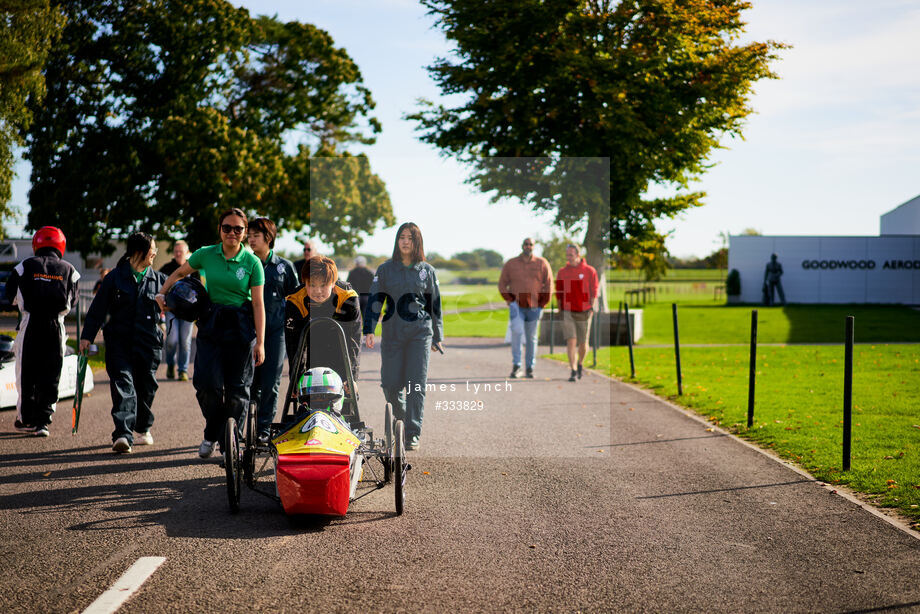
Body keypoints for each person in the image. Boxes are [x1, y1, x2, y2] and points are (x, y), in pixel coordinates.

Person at [156, 208, 265, 458]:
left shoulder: (252, 262)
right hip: (211, 323)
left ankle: (230, 444)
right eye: (227, 227)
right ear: (220, 229)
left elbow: (258, 304)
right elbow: (179, 273)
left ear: (245, 232)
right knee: (206, 385)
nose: (232, 233)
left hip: (240, 326)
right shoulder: (206, 254)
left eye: (238, 229)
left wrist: (260, 342)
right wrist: (163, 293)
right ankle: (212, 431)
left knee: (238, 391)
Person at [80, 233, 166, 453]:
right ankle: (123, 435)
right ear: (138, 252)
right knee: (123, 386)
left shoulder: (159, 280)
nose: (154, 253)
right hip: (119, 343)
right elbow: (97, 310)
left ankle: (143, 427)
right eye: (152, 249)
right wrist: (86, 336)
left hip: (148, 345)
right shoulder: (114, 278)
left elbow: (178, 303)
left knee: (146, 388)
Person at [364, 223, 443, 451]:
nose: (405, 241)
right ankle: (401, 419)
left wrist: (437, 336)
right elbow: (376, 299)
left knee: (415, 384)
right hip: (393, 330)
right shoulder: (385, 269)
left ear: (417, 242)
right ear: (397, 241)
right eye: (401, 237)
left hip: (420, 332)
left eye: (410, 238)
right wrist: (370, 329)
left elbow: (434, 303)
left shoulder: (427, 270)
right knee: (390, 384)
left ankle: (411, 433)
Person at [3, 226, 80, 437]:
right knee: (52, 372)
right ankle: (43, 421)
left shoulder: (23, 267)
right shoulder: (70, 270)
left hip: (30, 324)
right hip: (56, 326)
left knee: (26, 372)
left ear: (37, 243)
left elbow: (10, 297)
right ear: (61, 245)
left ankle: (26, 418)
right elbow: (73, 301)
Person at [285, 256, 361, 407]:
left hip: (341, 350)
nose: (317, 291)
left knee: (345, 397)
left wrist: (350, 378)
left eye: (323, 285)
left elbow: (353, 342)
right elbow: (294, 344)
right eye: (312, 285)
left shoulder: (347, 298)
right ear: (304, 283)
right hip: (313, 349)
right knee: (308, 398)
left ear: (333, 283)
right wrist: (296, 379)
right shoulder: (295, 300)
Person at [248, 217, 298, 440]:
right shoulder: (245, 263)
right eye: (249, 235)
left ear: (268, 238)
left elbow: (296, 300)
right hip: (248, 331)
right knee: (248, 382)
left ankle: (264, 430)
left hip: (276, 333)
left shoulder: (284, 267)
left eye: (255, 236)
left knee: (270, 382)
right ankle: (245, 428)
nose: (250, 239)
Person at [498, 237, 553, 378]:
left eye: (531, 244)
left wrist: (542, 303)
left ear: (534, 247)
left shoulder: (542, 263)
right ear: (522, 246)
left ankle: (530, 367)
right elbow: (502, 284)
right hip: (517, 305)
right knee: (516, 333)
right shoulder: (511, 263)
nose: (528, 246)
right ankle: (517, 366)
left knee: (531, 337)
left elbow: (548, 284)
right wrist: (510, 300)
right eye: (526, 244)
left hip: (535, 306)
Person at [555, 244, 599, 382]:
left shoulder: (589, 271)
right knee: (571, 340)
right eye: (567, 255)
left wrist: (591, 307)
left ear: (578, 255)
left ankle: (580, 363)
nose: (569, 258)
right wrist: (560, 309)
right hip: (568, 311)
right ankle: (573, 370)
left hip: (584, 311)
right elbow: (559, 292)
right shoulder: (563, 271)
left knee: (583, 342)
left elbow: (594, 290)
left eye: (571, 255)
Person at [159, 240, 194, 380]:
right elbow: (160, 288)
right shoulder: (167, 268)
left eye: (181, 251)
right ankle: (170, 364)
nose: (178, 254)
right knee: (171, 341)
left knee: (185, 342)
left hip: (188, 313)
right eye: (176, 251)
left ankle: (183, 370)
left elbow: (200, 290)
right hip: (171, 311)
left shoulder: (193, 269)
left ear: (187, 253)